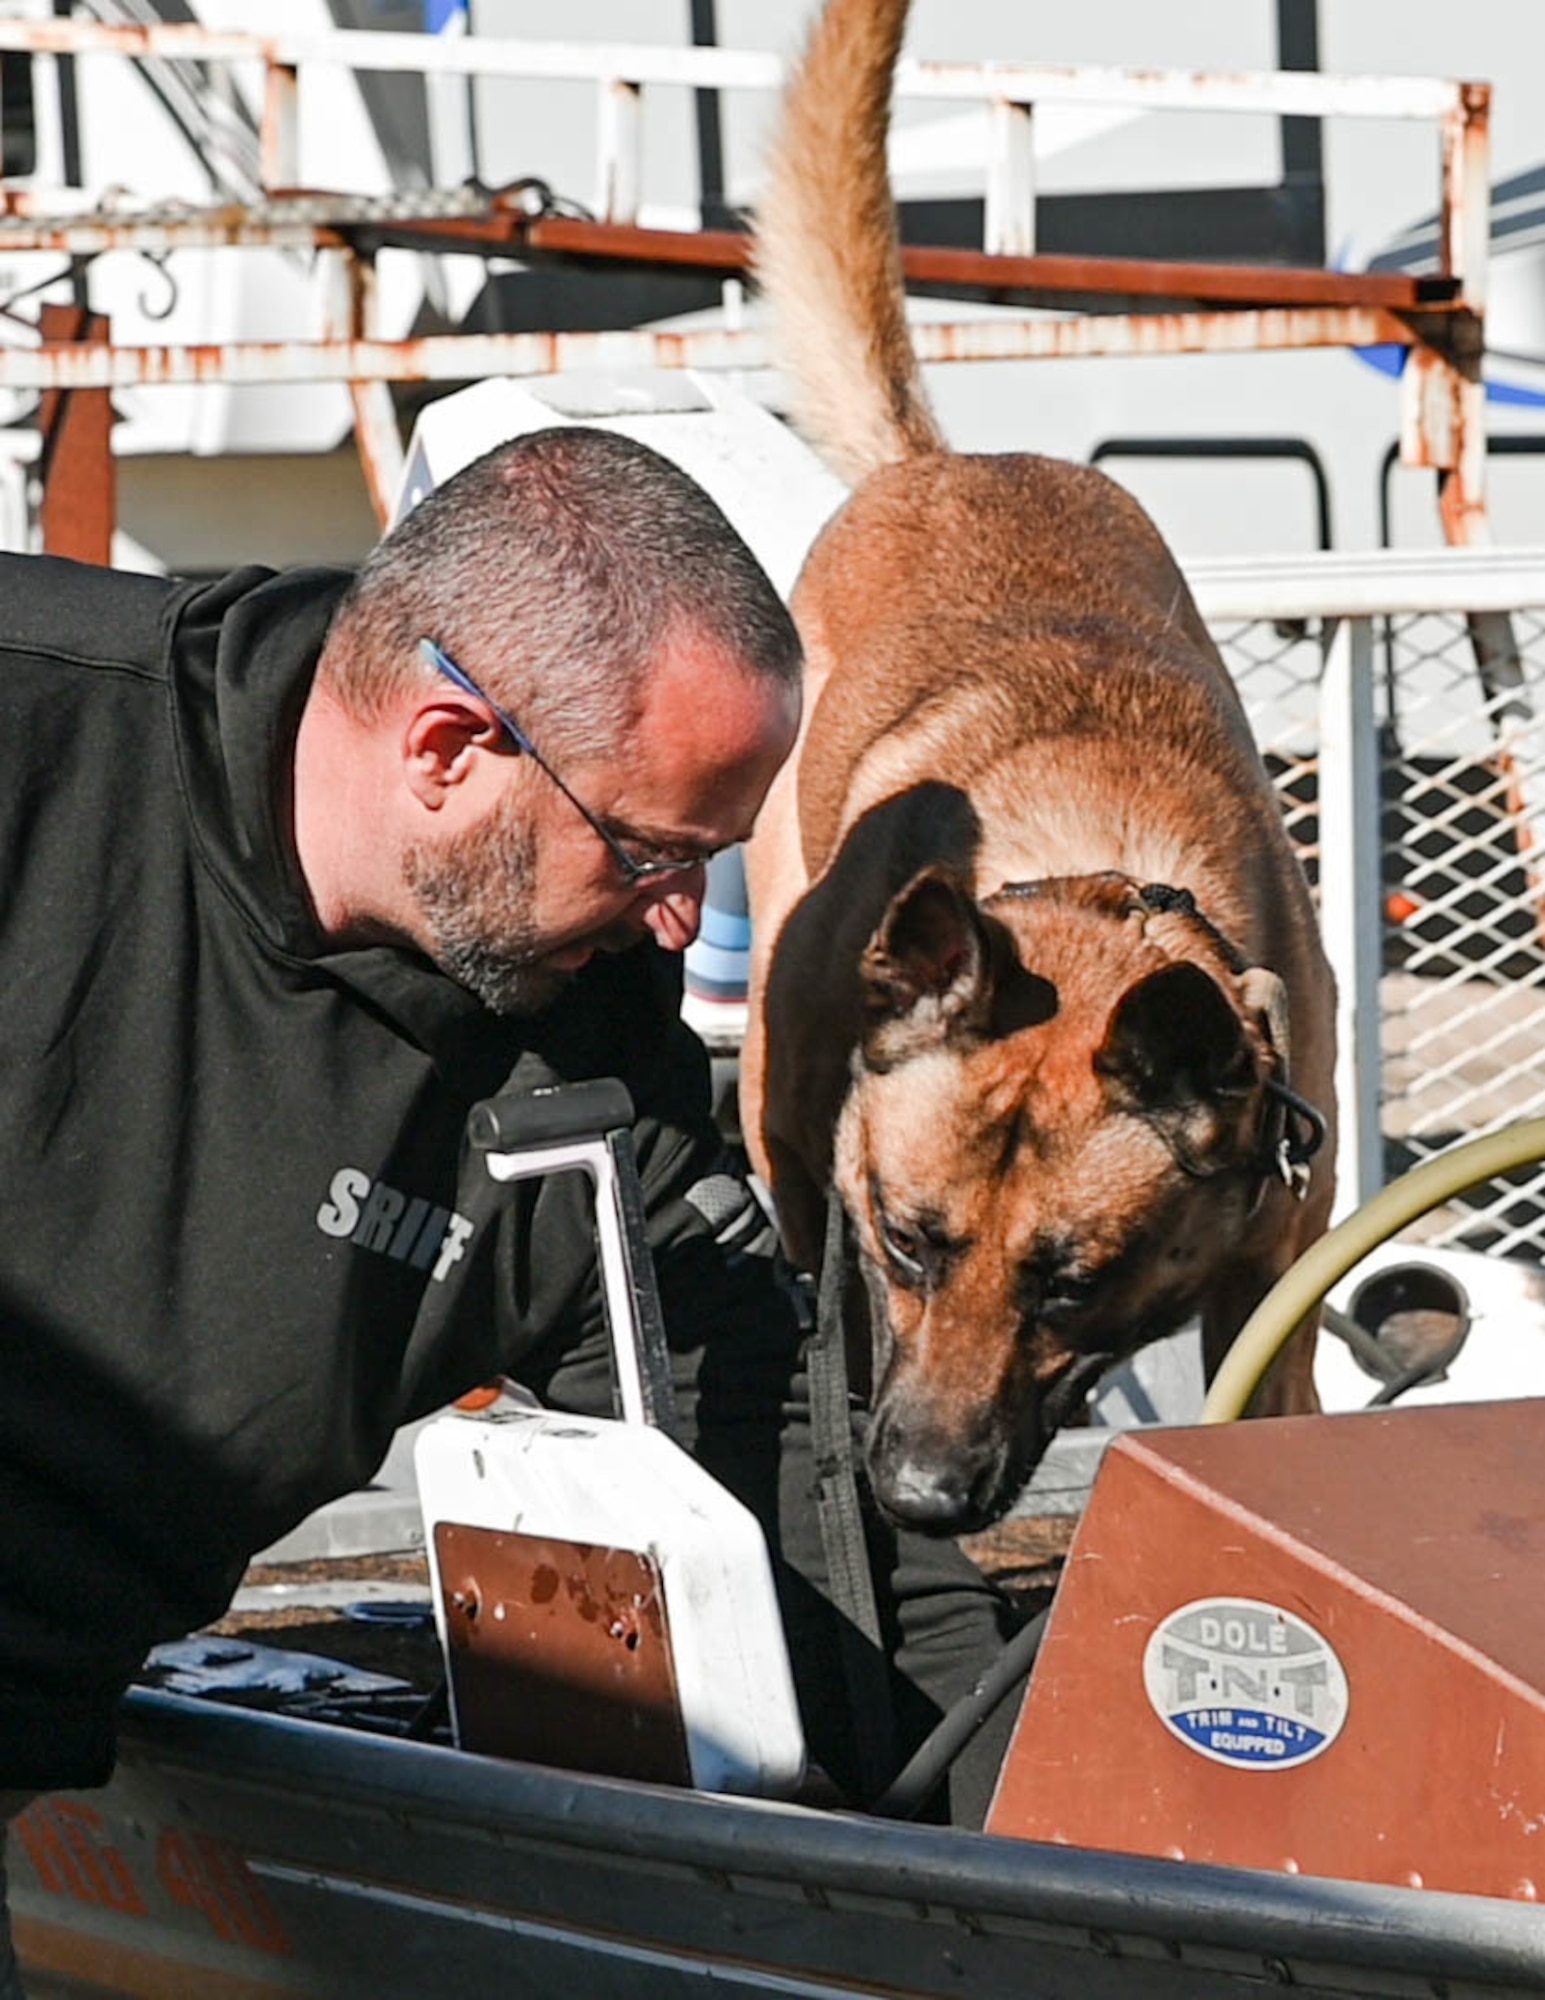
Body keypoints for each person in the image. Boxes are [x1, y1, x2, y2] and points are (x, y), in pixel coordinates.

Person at [0, 425, 1020, 1986]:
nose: (681, 920)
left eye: (709, 866)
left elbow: (769, 1441)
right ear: (445, 746)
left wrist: (1014, 1864)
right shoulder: (42, 735)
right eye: (647, 852)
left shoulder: (583, 1045)